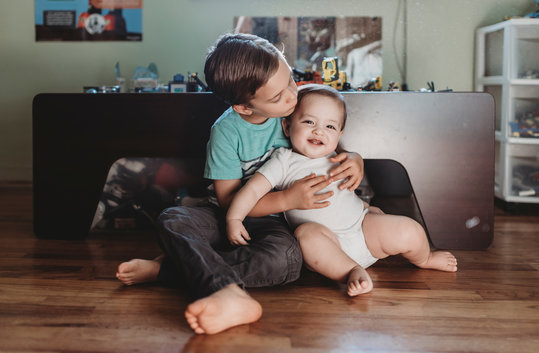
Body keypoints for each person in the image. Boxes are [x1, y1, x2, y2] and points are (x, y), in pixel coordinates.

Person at [116, 33, 365, 335]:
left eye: (290, 80)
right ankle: (229, 293)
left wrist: (353, 156)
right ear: (245, 108)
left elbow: (331, 126)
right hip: (227, 215)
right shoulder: (226, 133)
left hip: (276, 225)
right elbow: (227, 203)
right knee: (172, 219)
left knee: (285, 260)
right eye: (277, 97)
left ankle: (170, 270)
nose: (291, 96)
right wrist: (287, 199)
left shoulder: (298, 102)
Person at [226, 84, 458, 298]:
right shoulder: (284, 160)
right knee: (306, 235)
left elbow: (354, 188)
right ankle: (351, 272)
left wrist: (365, 197)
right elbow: (253, 190)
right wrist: (235, 218)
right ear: (287, 126)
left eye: (330, 126)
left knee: (410, 229)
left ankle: (425, 257)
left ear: (339, 135)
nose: (319, 131)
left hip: (362, 229)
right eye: (309, 122)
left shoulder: (340, 157)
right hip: (327, 247)